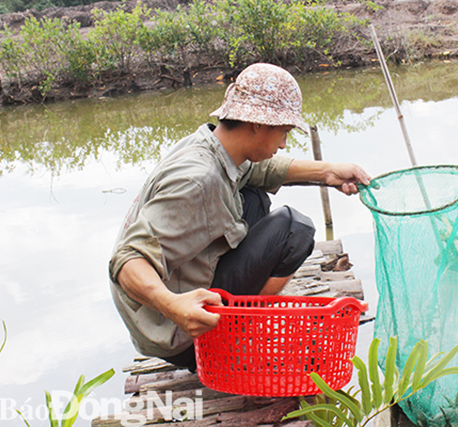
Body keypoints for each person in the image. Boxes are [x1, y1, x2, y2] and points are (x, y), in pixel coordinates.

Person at [108, 63, 371, 372]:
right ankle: (234, 337)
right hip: (178, 332)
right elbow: (127, 260)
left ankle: (235, 316)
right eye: (283, 131)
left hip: (169, 305)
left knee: (253, 199)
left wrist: (328, 172)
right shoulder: (197, 180)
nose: (284, 142)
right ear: (257, 124)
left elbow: (259, 170)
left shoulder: (213, 146)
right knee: (294, 228)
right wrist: (174, 306)